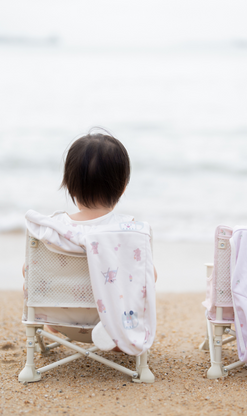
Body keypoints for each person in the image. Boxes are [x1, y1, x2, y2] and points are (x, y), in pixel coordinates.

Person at [23, 128, 157, 340]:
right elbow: (149, 278)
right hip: (116, 320)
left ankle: (54, 324)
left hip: (60, 316)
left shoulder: (53, 228)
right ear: (123, 187)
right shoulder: (129, 230)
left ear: (70, 186)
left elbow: (29, 273)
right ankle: (117, 339)